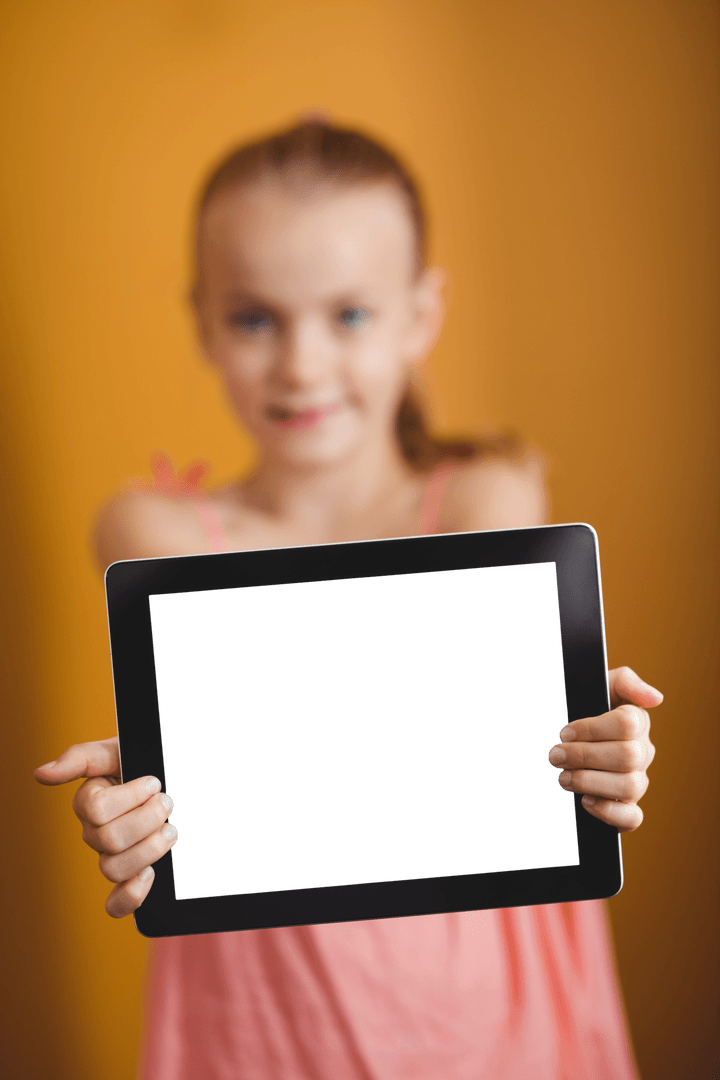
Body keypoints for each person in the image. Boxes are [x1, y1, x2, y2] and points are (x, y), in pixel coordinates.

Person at [34, 119, 661, 1079]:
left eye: (350, 315)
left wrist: (594, 745)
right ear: (201, 319)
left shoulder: (491, 498)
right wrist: (161, 782)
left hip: (493, 1016)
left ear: (421, 313)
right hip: (269, 1026)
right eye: (255, 318)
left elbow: (482, 752)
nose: (301, 364)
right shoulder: (151, 534)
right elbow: (422, 727)